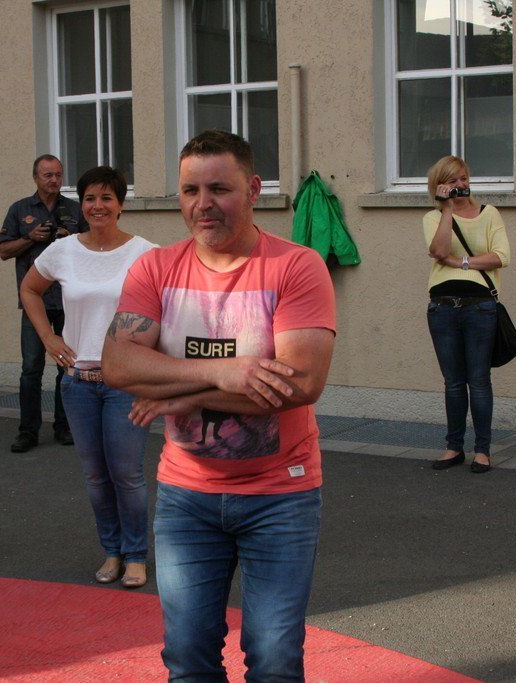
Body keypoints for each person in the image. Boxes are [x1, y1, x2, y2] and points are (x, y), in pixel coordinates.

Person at [101, 130, 337, 680]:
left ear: (252, 190)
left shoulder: (296, 267)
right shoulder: (155, 269)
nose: (202, 204)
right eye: (190, 191)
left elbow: (300, 384)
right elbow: (118, 364)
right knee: (188, 658)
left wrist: (178, 391)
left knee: (274, 660)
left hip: (281, 496)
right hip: (187, 497)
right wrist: (223, 370)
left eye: (219, 189)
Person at [19, 166, 157, 589]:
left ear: (121, 204)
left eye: (107, 198)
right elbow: (29, 289)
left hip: (125, 384)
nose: (98, 206)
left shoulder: (145, 253)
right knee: (96, 477)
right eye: (90, 199)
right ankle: (112, 551)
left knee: (127, 475)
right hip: (77, 383)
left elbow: (166, 308)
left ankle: (136, 554)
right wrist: (49, 337)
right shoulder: (63, 251)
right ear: (81, 205)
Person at [423, 155, 510, 474]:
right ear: (439, 186)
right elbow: (439, 251)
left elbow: (501, 256)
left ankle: (482, 450)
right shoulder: (433, 217)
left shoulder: (489, 214)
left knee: (479, 379)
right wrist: (447, 209)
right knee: (453, 382)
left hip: (480, 306)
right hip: (442, 307)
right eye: (452, 180)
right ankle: (454, 447)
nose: (461, 184)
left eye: (463, 178)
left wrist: (461, 263)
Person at [0, 154, 88, 453]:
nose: (54, 180)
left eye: (58, 175)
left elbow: (92, 247)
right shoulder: (20, 209)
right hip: (34, 302)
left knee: (68, 367)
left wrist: (70, 239)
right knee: (31, 369)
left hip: (66, 301)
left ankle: (64, 427)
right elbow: (3, 250)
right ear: (35, 177)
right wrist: (30, 237)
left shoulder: (74, 210)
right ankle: (28, 432)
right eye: (48, 175)